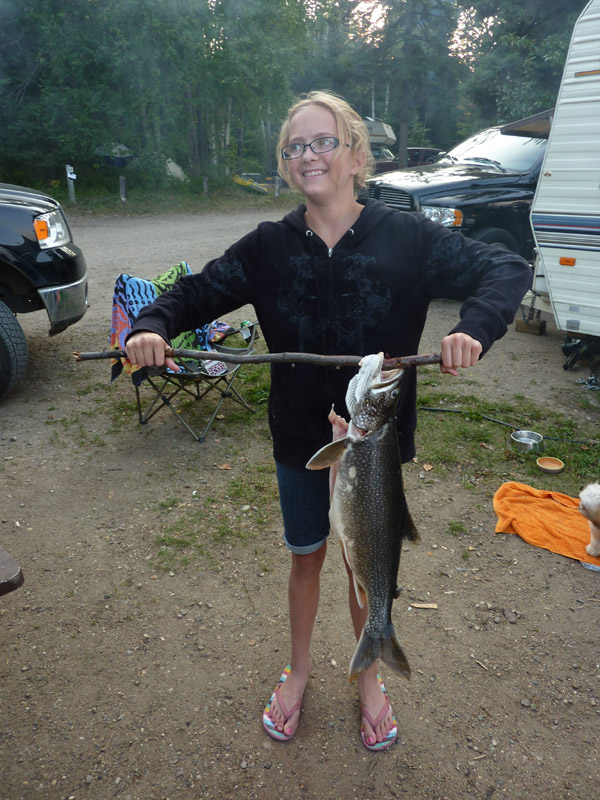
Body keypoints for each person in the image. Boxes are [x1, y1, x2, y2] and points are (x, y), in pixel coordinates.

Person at [125, 90, 532, 750]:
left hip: (372, 442)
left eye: (322, 142)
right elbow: (195, 293)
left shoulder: (409, 237)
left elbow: (505, 267)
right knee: (306, 557)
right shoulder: (267, 247)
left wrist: (473, 331)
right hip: (298, 435)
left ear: (355, 155)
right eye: (295, 147)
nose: (307, 155)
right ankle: (301, 669)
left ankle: (369, 676)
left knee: (360, 562)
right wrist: (151, 325)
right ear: (287, 166)